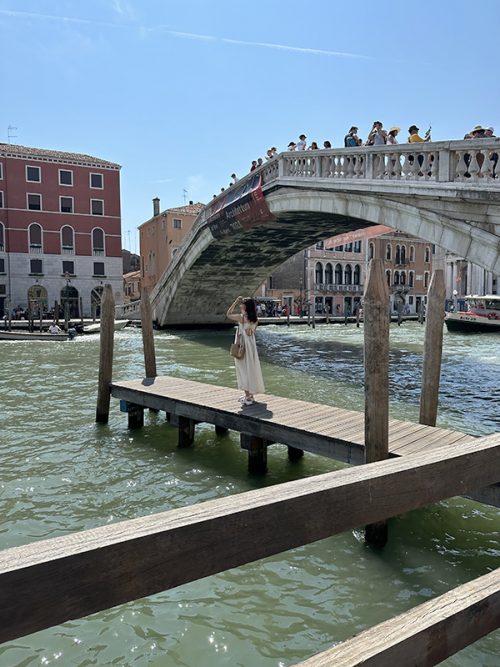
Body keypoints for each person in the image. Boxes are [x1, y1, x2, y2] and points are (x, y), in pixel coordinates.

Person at [226, 296, 265, 406]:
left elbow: (228, 314)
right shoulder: (255, 319)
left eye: (242, 304)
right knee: (250, 368)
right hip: (251, 345)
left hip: (242, 345)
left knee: (243, 369)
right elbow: (251, 333)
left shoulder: (242, 317)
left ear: (245, 306)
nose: (240, 305)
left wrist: (234, 302)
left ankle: (248, 396)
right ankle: (250, 395)